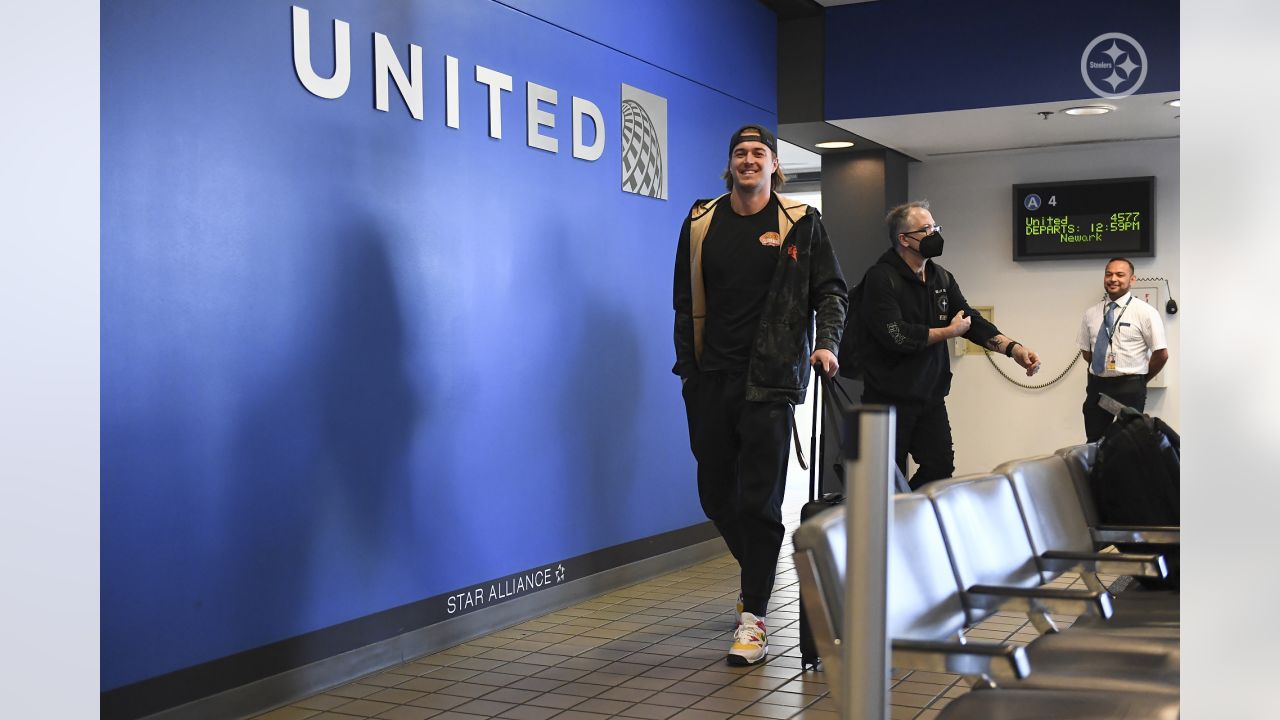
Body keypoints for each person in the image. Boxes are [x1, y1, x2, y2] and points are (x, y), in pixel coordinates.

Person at [672, 125, 847, 666]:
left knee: (759, 500)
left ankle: (754, 615)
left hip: (771, 380)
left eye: (759, 154)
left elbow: (830, 291)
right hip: (710, 377)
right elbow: (682, 300)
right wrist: (689, 372)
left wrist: (827, 345)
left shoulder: (800, 222)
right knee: (715, 496)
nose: (749, 161)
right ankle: (758, 576)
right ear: (730, 165)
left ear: (775, 166)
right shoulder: (702, 221)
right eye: (740, 154)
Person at [860, 200, 1041, 490]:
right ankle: (892, 524)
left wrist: (1014, 349)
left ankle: (908, 514)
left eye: (935, 227)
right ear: (903, 239)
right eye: (926, 229)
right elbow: (897, 335)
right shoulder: (881, 278)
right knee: (883, 481)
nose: (934, 234)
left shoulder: (941, 277)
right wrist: (948, 331)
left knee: (940, 467)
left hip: (930, 395)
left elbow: (972, 322)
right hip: (887, 400)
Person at [1078, 257, 1169, 441]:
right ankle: (1099, 471)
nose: (1113, 279)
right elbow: (1086, 351)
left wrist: (1141, 379)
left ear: (1132, 280)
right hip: (1098, 387)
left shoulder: (1145, 312)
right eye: (1108, 274)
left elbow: (1161, 353)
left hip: (1129, 388)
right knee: (1094, 442)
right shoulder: (1091, 314)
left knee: (1130, 443)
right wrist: (1102, 366)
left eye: (1120, 275)